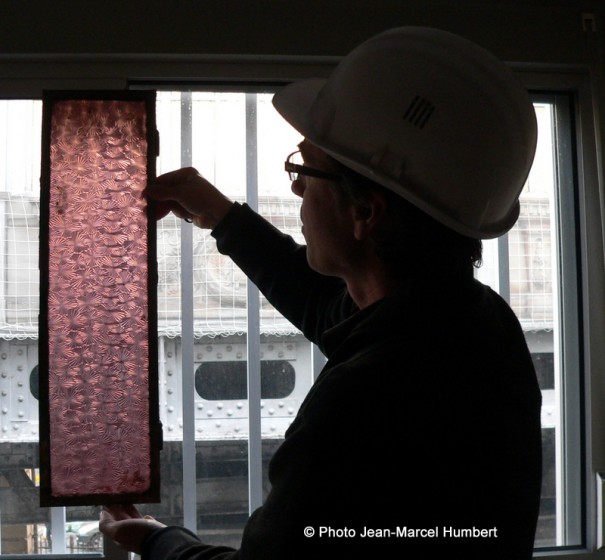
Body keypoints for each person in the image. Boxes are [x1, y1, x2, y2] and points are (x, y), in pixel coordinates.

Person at [99, 26, 542, 559]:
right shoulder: (476, 322)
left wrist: (158, 539)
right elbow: (331, 309)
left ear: (364, 211)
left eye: (304, 168)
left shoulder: (357, 404)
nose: (295, 186)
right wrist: (223, 216)